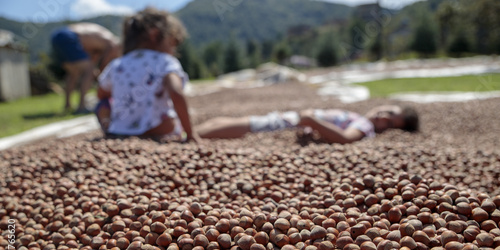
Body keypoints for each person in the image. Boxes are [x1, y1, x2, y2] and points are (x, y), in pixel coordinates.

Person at [96, 8, 199, 142]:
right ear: (154, 35)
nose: (173, 51)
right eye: (172, 44)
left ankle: (111, 129)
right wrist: (190, 134)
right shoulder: (165, 61)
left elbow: (101, 95)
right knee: (210, 127)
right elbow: (176, 92)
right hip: (161, 129)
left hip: (120, 131)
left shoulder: (116, 64)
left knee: (102, 104)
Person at [195, 105, 419, 144]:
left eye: (389, 123)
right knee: (221, 122)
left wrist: (311, 120)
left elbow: (345, 138)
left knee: (236, 125)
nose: (382, 117)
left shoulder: (364, 127)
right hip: (287, 120)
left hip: (286, 125)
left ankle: (186, 135)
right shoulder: (362, 118)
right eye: (388, 112)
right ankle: (188, 132)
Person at [50, 23, 121, 113]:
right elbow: (104, 67)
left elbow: (91, 60)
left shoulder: (100, 42)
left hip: (58, 36)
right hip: (70, 37)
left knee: (73, 73)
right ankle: (82, 106)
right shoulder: (112, 43)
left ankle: (68, 105)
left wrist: (94, 71)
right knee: (89, 71)